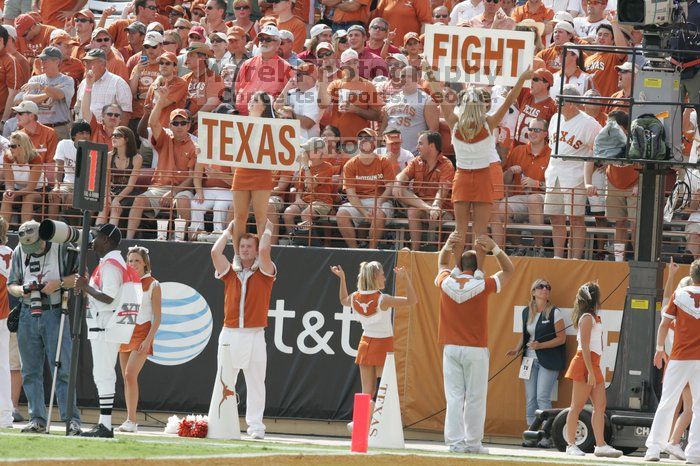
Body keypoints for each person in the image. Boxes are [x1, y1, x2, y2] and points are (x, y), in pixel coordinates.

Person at [424, 63, 533, 266]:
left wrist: (430, 73)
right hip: (483, 178)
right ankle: (479, 271)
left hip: (462, 178)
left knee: (460, 230)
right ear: (481, 105)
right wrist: (521, 78)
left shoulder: (454, 121)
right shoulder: (488, 122)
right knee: (481, 232)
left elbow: (439, 95)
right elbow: (510, 99)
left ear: (462, 104)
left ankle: (458, 269)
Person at [436, 232, 514, 453]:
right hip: (475, 349)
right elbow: (509, 270)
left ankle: (455, 444)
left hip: (451, 347)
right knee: (475, 398)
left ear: (458, 265)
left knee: (454, 397)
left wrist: (448, 245)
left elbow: (442, 262)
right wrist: (494, 248)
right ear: (477, 265)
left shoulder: (446, 282)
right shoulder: (484, 285)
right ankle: (472, 443)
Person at [7, 220, 80, 434]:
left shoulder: (62, 246)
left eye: (36, 245)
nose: (32, 250)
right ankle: (36, 419)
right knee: (30, 370)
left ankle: (71, 420)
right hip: (28, 312)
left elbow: (79, 277)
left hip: (56, 311)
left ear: (44, 236)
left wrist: (58, 283)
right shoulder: (20, 250)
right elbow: (11, 284)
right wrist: (22, 290)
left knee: (63, 368)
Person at [210, 219, 277, 440]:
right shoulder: (230, 272)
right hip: (229, 333)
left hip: (255, 334)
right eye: (242, 246)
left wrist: (267, 228)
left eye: (249, 246)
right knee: (224, 380)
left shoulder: (265, 272)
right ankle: (220, 422)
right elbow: (215, 253)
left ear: (256, 250)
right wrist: (229, 231)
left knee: (256, 382)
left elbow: (266, 250)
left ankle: (256, 427)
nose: (245, 249)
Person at [330, 260, 416, 431]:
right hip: (383, 345)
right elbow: (412, 300)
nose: (385, 277)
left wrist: (342, 278)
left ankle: (360, 425)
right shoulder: (383, 299)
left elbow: (342, 300)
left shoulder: (355, 297)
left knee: (367, 392)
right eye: (383, 274)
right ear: (376, 276)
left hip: (365, 344)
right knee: (382, 389)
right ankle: (369, 425)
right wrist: (405, 278)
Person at [74, 224, 128, 438]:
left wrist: (86, 287)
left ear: (106, 240)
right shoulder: (110, 262)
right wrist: (87, 289)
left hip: (105, 326)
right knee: (102, 374)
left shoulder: (111, 264)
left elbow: (109, 296)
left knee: (104, 374)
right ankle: (103, 423)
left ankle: (105, 425)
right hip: (103, 325)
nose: (92, 240)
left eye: (95, 236)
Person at [645, 259, 700, 462]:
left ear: (692, 276)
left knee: (667, 403)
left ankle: (653, 449)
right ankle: (695, 452)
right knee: (698, 407)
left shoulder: (679, 295)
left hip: (679, 356)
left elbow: (664, 324)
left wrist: (659, 350)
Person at [563, 282, 622, 457]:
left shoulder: (593, 317)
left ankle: (601, 445)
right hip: (584, 364)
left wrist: (593, 369)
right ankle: (570, 445)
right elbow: (585, 347)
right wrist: (589, 371)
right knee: (577, 406)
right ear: (595, 297)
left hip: (593, 364)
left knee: (600, 406)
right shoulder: (587, 318)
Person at [129, 89, 196, 240]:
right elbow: (152, 123)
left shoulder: (194, 145)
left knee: (183, 200)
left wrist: (173, 192)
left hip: (181, 189)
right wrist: (161, 101)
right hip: (158, 188)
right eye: (175, 123)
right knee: (138, 200)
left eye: (183, 123)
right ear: (170, 125)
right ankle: (128, 239)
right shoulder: (165, 138)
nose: (179, 126)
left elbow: (192, 178)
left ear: (189, 126)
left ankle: (179, 241)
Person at [506, 279, 565, 444]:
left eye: (547, 287)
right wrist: (517, 349)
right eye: (540, 287)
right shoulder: (526, 311)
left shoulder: (554, 312)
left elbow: (561, 339)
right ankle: (531, 435)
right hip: (529, 360)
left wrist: (541, 345)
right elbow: (525, 335)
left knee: (542, 397)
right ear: (533, 292)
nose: (544, 289)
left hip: (549, 360)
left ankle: (546, 436)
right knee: (530, 398)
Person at [547, 85, 601, 259]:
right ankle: (558, 257)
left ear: (570, 103)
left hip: (575, 175)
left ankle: (575, 258)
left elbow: (598, 150)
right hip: (554, 173)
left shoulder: (589, 123)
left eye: (560, 101)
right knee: (555, 217)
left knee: (576, 218)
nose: (556, 104)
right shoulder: (555, 118)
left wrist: (588, 177)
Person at [228, 91, 276, 270]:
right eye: (251, 99)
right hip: (242, 171)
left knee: (261, 218)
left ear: (264, 107)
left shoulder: (273, 125)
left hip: (262, 172)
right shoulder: (239, 123)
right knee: (239, 216)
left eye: (255, 100)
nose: (250, 102)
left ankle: (261, 256)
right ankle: (237, 256)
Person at [116, 246, 161, 433]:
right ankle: (129, 419)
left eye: (137, 261)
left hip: (142, 333)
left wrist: (149, 340)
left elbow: (157, 317)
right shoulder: (124, 283)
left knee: (130, 374)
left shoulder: (153, 284)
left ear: (145, 264)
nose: (133, 264)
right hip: (124, 333)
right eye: (130, 261)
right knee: (126, 378)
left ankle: (132, 421)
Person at [492, 118, 551, 252]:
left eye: (537, 130)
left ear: (545, 133)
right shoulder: (518, 150)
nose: (532, 133)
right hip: (519, 197)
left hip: (544, 198)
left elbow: (555, 187)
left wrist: (537, 183)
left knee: (534, 199)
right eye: (530, 129)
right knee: (500, 209)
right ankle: (519, 246)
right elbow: (505, 182)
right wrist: (510, 171)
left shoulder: (552, 154)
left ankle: (538, 248)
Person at [393, 130, 454, 250]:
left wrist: (435, 205)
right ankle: (415, 251)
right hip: (425, 207)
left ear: (431, 146)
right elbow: (402, 176)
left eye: (420, 143)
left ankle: (417, 250)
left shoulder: (447, 165)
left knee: (414, 210)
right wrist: (397, 182)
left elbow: (442, 191)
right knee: (399, 190)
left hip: (442, 211)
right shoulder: (416, 161)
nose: (417, 147)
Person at [337, 128, 396, 248]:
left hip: (381, 201)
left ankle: (371, 250)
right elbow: (351, 194)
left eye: (368, 138)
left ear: (374, 142)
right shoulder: (350, 164)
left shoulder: (384, 161)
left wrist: (378, 202)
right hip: (359, 203)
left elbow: (390, 188)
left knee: (378, 214)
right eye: (360, 138)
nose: (363, 140)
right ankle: (355, 251)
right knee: (341, 214)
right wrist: (364, 212)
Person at [17, 46, 75, 140]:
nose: (42, 63)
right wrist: (48, 93)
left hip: (59, 129)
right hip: (38, 129)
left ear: (57, 62)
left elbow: (59, 95)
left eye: (46, 60)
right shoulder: (36, 79)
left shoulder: (67, 80)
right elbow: (26, 100)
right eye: (41, 60)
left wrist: (42, 87)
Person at [98, 127, 144, 227]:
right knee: (105, 206)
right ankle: (94, 235)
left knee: (115, 209)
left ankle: (110, 238)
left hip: (128, 193)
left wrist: (116, 200)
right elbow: (106, 181)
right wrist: (108, 197)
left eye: (117, 136)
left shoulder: (137, 158)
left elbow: (130, 186)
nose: (113, 138)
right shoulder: (109, 156)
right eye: (113, 135)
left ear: (127, 139)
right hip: (112, 190)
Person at [48, 121, 92, 219]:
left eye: (87, 133)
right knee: (54, 195)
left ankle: (74, 230)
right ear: (74, 135)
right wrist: (56, 186)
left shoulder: (93, 149)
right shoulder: (63, 144)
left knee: (71, 198)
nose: (85, 136)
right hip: (67, 184)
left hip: (85, 186)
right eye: (81, 133)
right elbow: (59, 168)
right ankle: (51, 228)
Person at [0, 131, 43, 226]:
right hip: (17, 190)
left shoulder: (35, 158)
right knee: (6, 196)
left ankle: (25, 232)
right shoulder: (7, 157)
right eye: (9, 145)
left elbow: (31, 187)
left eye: (13, 146)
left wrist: (15, 193)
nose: (10, 149)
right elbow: (9, 183)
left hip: (38, 191)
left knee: (28, 197)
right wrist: (10, 191)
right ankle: (1, 233)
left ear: (22, 146)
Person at [0, 218, 13, 428]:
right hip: (3, 314)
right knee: (3, 366)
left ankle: (4, 415)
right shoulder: (11, 251)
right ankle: (5, 416)